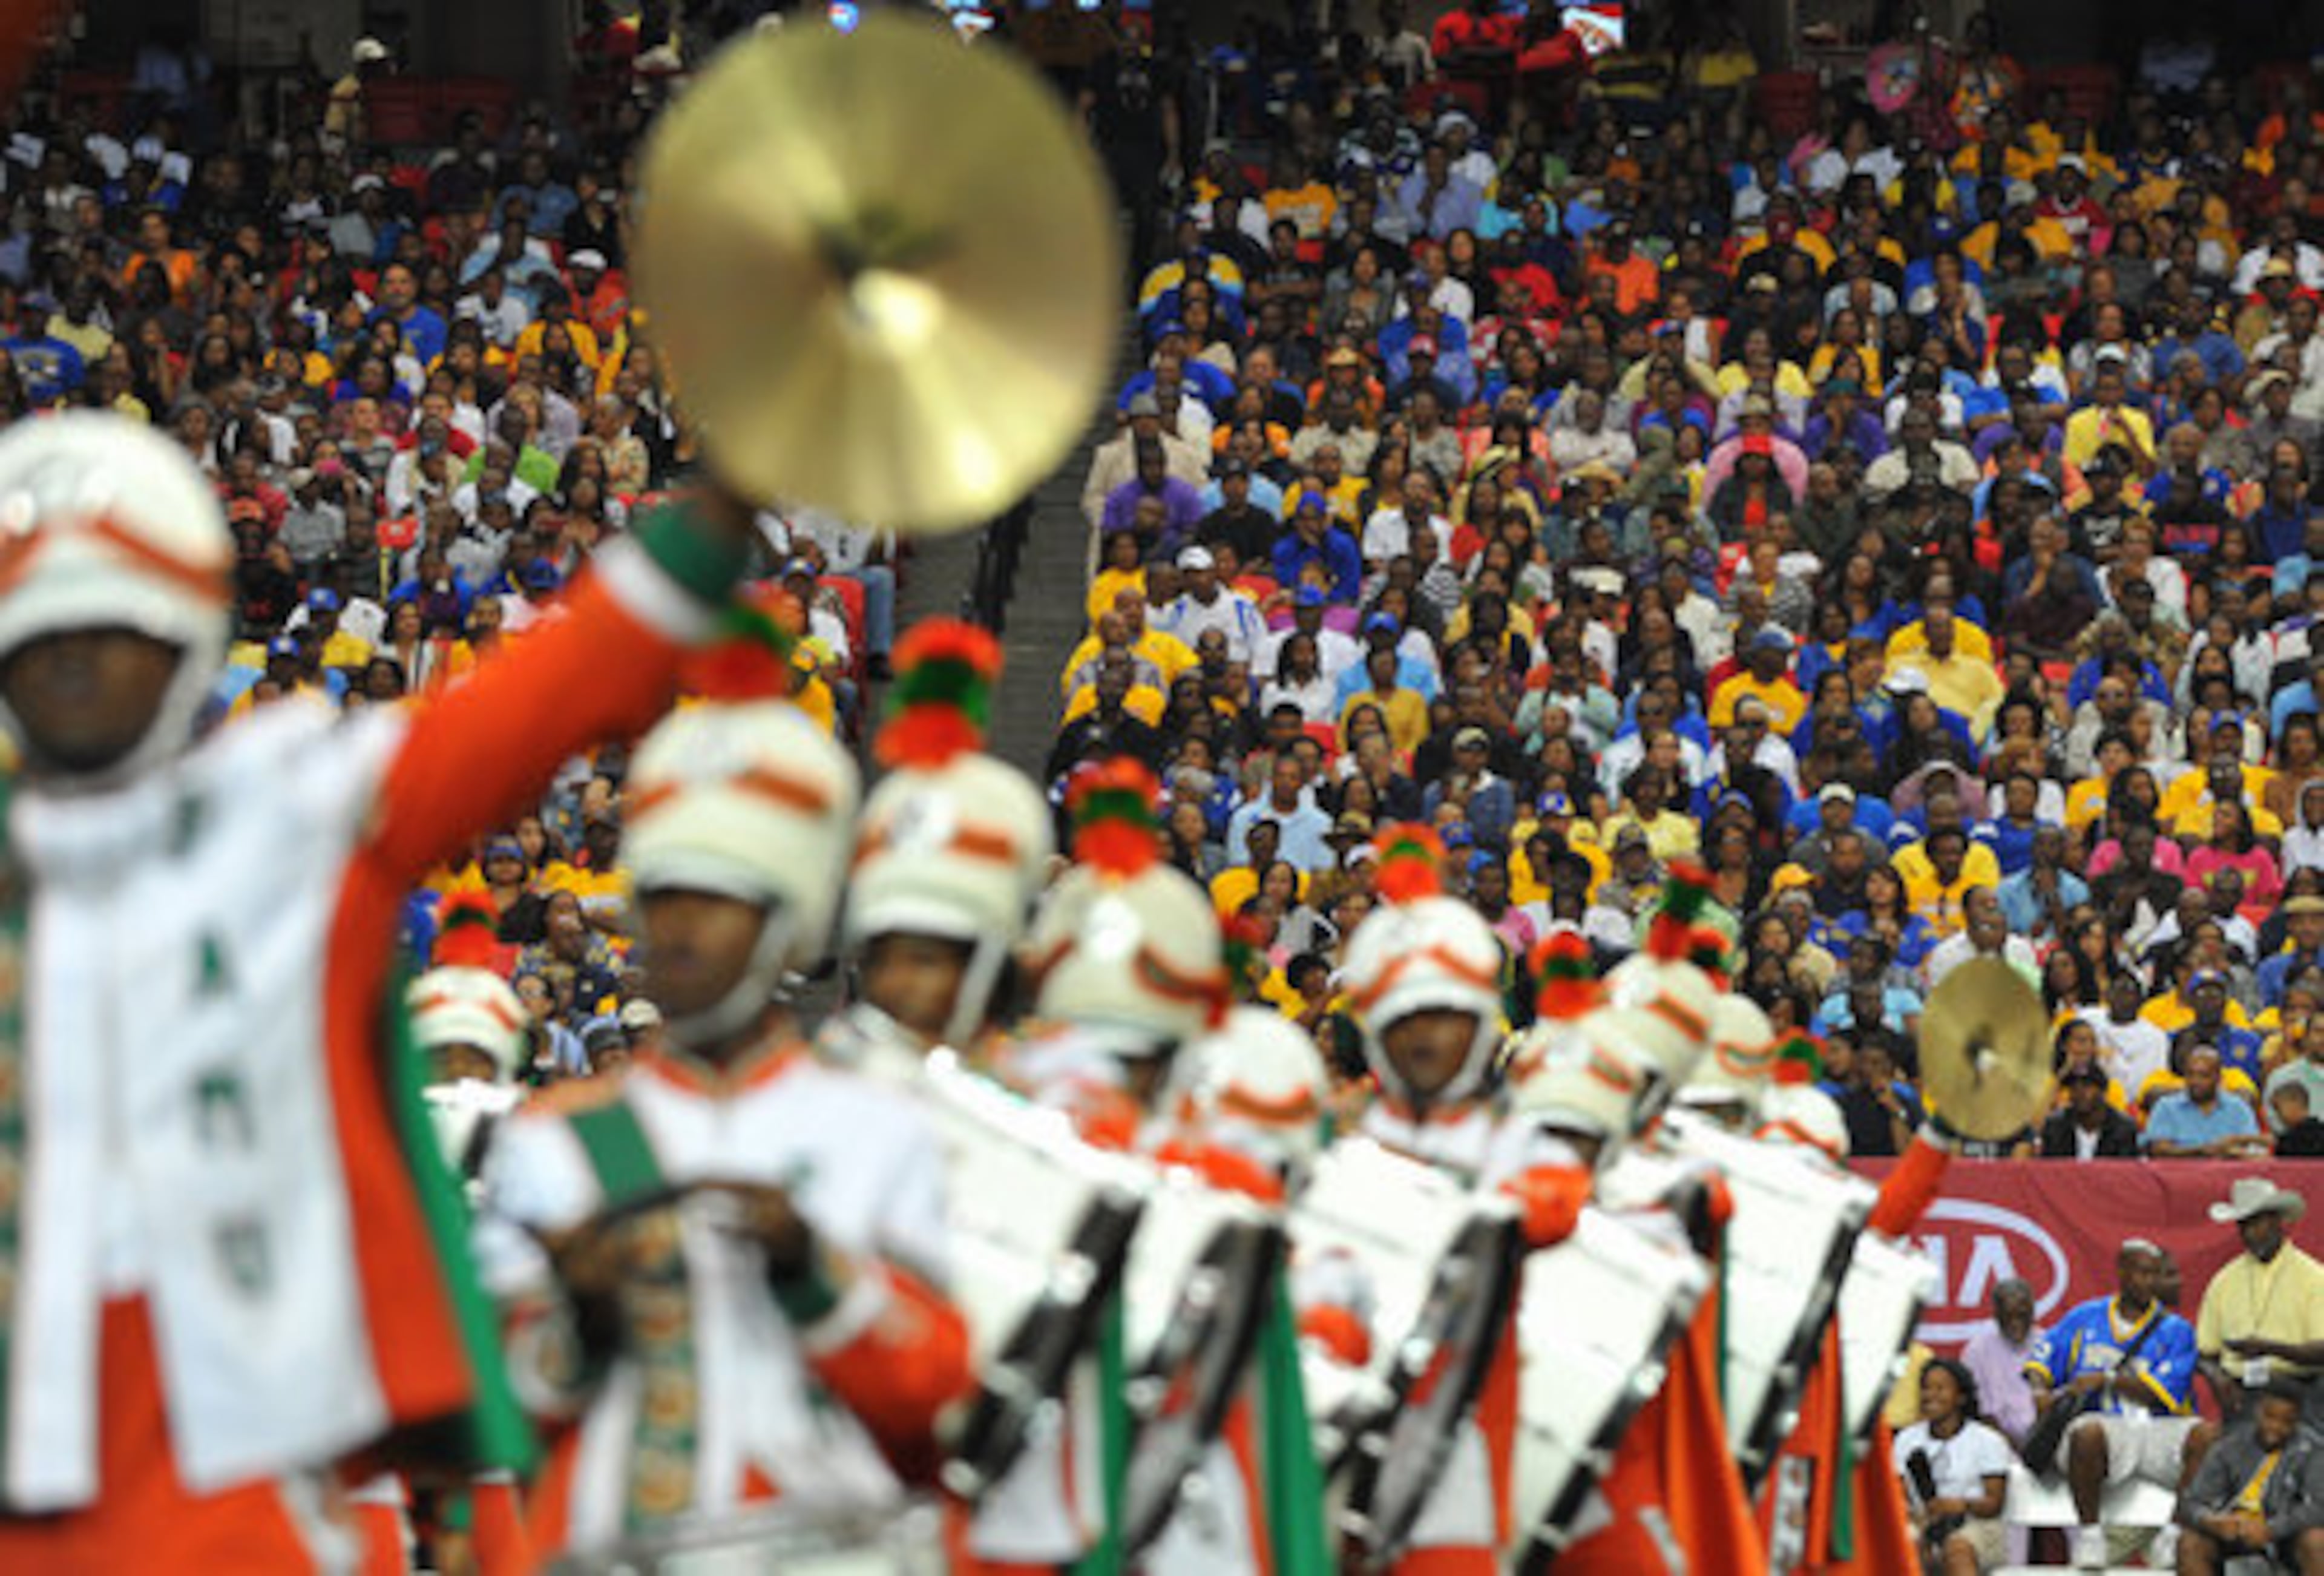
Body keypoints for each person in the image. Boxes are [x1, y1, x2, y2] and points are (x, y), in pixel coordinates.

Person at [0, 413, 757, 1568]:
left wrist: (730, 502)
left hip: (235, 1494)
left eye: (112, 627)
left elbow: (541, 699)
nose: (70, 659)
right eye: (38, 636)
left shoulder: (291, 819)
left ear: (194, 633)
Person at [474, 697, 971, 1559]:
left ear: (789, 928)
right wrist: (580, 1318)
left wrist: (812, 1271)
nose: (681, 929)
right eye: (664, 900)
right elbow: (489, 1421)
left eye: (718, 903)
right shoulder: (550, 1139)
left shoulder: (884, 1127)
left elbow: (941, 1399)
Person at [2026, 1239, 2208, 1570]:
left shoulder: (2176, 1329)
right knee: (2087, 1432)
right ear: (2122, 1272)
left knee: (2206, 1435)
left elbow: (2161, 1393)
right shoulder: (2086, 1316)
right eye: (2141, 1272)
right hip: (2106, 1429)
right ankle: (2091, 1535)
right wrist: (2039, 1392)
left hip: (2155, 1428)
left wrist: (2107, 1379)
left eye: (2155, 1274)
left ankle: (2172, 1529)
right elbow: (2042, 1357)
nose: (2149, 1282)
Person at [2195, 1177, 2324, 1420]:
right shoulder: (2224, 1280)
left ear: (2277, 1221)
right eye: (2243, 1225)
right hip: (2241, 1391)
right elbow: (2205, 1353)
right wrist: (2217, 1378)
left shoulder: (2314, 1278)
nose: (2250, 1233)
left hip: (2301, 1392)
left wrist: (2270, 1348)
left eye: (2258, 1223)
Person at [2172, 1384, 2324, 1575]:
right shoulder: (2230, 1445)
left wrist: (2272, 1529)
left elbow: (2319, 1507)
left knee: (2317, 1541)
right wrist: (2212, 1522)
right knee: (2190, 1543)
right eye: (2270, 1417)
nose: (2276, 1427)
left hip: (2285, 1535)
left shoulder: (2313, 1449)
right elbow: (2192, 1502)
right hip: (2233, 1529)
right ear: (2258, 1412)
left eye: (2287, 1422)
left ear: (2297, 1422)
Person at [1893, 1357, 2012, 1575]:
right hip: (1923, 1521)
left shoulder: (1986, 1440)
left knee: (1957, 1549)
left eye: (1940, 1389)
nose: (1931, 1396)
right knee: (1908, 1543)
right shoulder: (1907, 1440)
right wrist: (1917, 1517)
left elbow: (1994, 1503)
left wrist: (1957, 1506)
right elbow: (1896, 1493)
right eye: (1926, 1388)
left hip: (1976, 1524)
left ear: (1960, 1398)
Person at [1958, 1278, 2044, 1446]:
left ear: (2033, 1312)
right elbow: (1976, 1411)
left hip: (2044, 1441)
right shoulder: (1977, 1351)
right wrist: (2010, 1446)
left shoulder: (2049, 1343)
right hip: (1994, 1441)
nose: (2016, 1322)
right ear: (1996, 1315)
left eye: (2022, 1315)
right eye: (2008, 1315)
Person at [2148, 1047, 2271, 1158]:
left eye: (2204, 1076)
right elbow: (2158, 1150)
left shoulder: (2238, 1108)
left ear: (2218, 1078)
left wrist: (2233, 1147)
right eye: (2190, 1075)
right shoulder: (2166, 1107)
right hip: (2177, 1178)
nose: (2195, 1081)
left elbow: (2255, 1148)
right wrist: (2202, 1151)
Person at [2041, 1062, 2144, 1158]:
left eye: (2087, 1086)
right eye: (2074, 1088)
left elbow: (2127, 1174)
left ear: (2103, 1091)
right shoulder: (2055, 1127)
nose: (2079, 1093)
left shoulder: (2124, 1129)